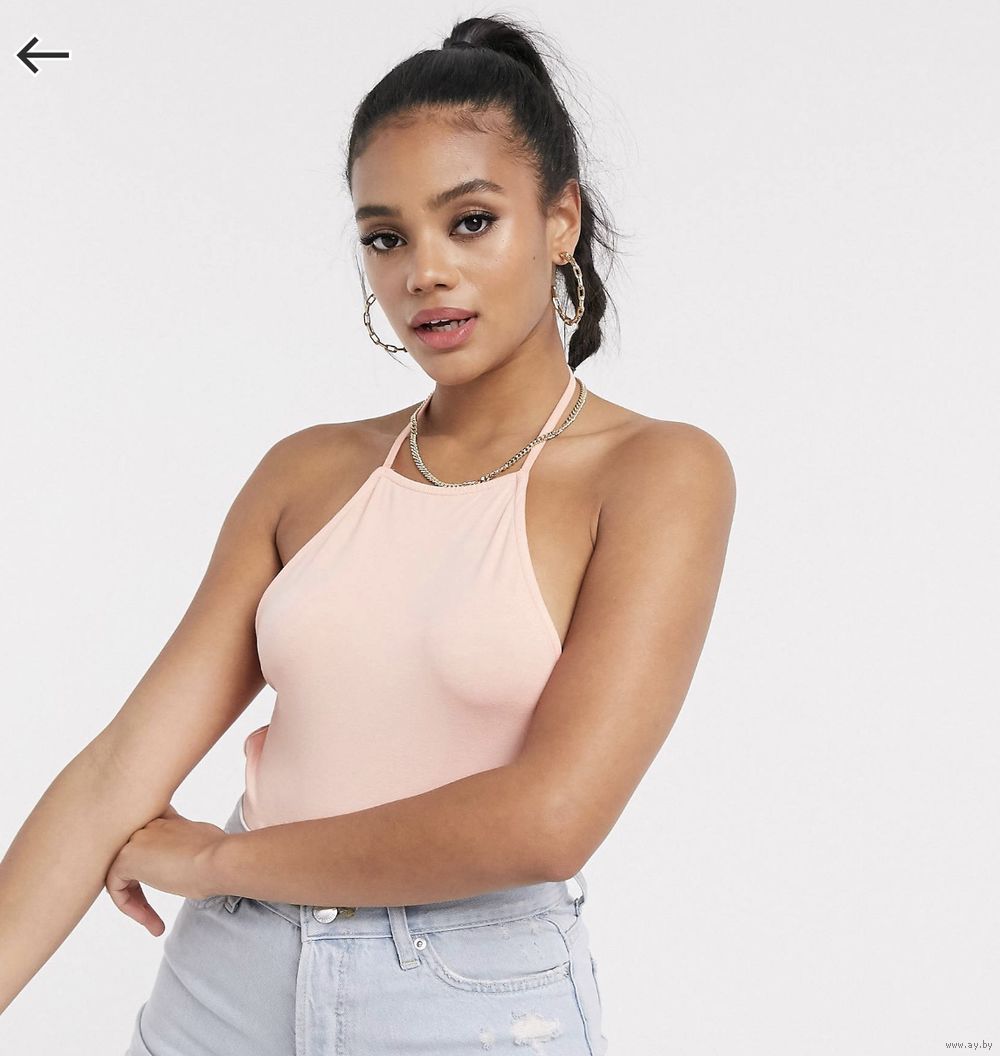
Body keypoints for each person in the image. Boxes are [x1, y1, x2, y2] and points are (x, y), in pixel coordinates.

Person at [0, 13, 736, 1054]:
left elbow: (550, 819)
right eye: (386, 237)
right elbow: (117, 767)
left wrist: (213, 862)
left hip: (465, 995)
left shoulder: (656, 473)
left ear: (560, 220)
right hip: (225, 987)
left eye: (470, 221)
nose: (422, 272)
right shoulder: (307, 472)